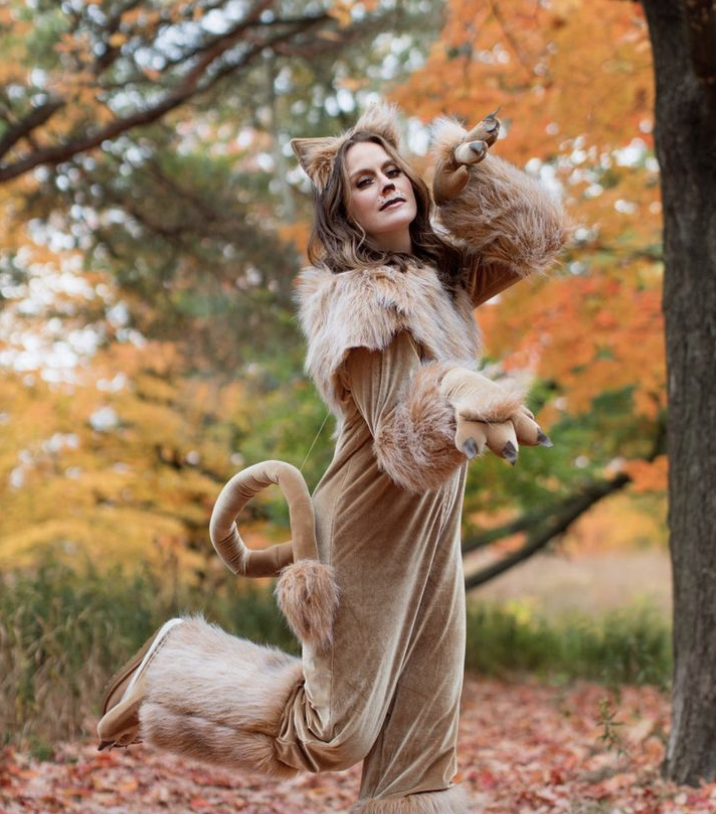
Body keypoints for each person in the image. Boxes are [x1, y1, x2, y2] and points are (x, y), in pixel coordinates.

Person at [96, 101, 570, 814]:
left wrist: (459, 183)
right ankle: (174, 670)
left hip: (433, 528)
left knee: (420, 747)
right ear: (343, 212)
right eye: (362, 181)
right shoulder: (359, 298)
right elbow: (399, 436)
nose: (384, 183)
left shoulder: (443, 280)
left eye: (392, 170)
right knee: (334, 734)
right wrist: (459, 387)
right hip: (367, 528)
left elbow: (537, 240)